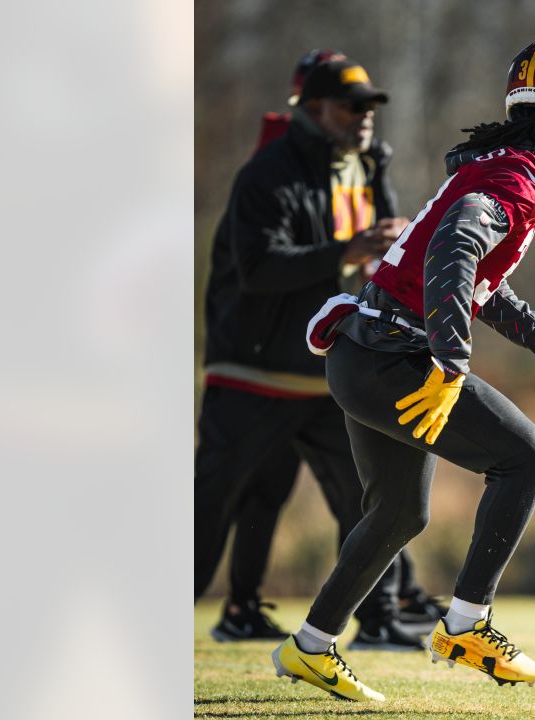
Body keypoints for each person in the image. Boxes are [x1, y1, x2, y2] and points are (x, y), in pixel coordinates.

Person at [271, 35, 535, 702]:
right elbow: (458, 249)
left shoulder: (505, 166)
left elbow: (474, 281)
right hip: (393, 357)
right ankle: (466, 626)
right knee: (528, 459)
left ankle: (310, 646)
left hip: (362, 354)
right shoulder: (519, 179)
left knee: (400, 510)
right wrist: (451, 363)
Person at [195, 52, 443, 651]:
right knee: (211, 513)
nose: (364, 116)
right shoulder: (266, 174)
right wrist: (346, 249)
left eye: (370, 106)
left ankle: (381, 617)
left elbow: (383, 258)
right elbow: (256, 269)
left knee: (376, 501)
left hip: (325, 373)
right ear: (310, 109)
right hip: (251, 374)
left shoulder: (367, 167)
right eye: (349, 105)